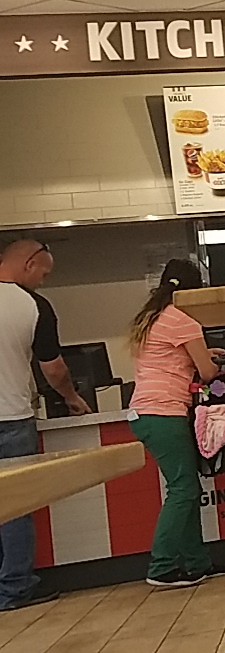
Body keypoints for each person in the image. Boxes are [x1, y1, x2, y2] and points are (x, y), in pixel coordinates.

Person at [128, 259, 225, 589]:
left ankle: (198, 563)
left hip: (147, 412)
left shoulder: (150, 317)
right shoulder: (183, 320)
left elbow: (168, 358)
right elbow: (208, 373)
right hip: (164, 412)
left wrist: (202, 351)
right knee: (184, 489)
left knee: (185, 487)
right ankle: (161, 567)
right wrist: (210, 360)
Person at [0, 238, 85, 611]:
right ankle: (15, 589)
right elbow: (54, 369)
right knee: (15, 505)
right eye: (44, 274)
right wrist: (71, 397)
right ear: (29, 263)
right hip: (11, 418)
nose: (42, 281)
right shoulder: (33, 305)